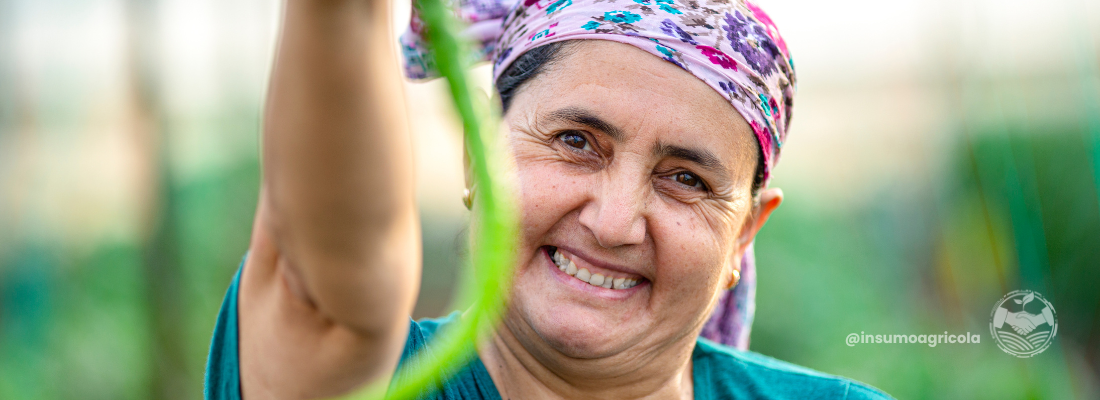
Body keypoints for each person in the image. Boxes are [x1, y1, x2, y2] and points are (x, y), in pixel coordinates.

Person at [204, 0, 895, 398]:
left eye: (685, 178)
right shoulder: (354, 378)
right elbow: (339, 293)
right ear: (477, 156)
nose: (615, 221)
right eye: (575, 141)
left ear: (743, 233)